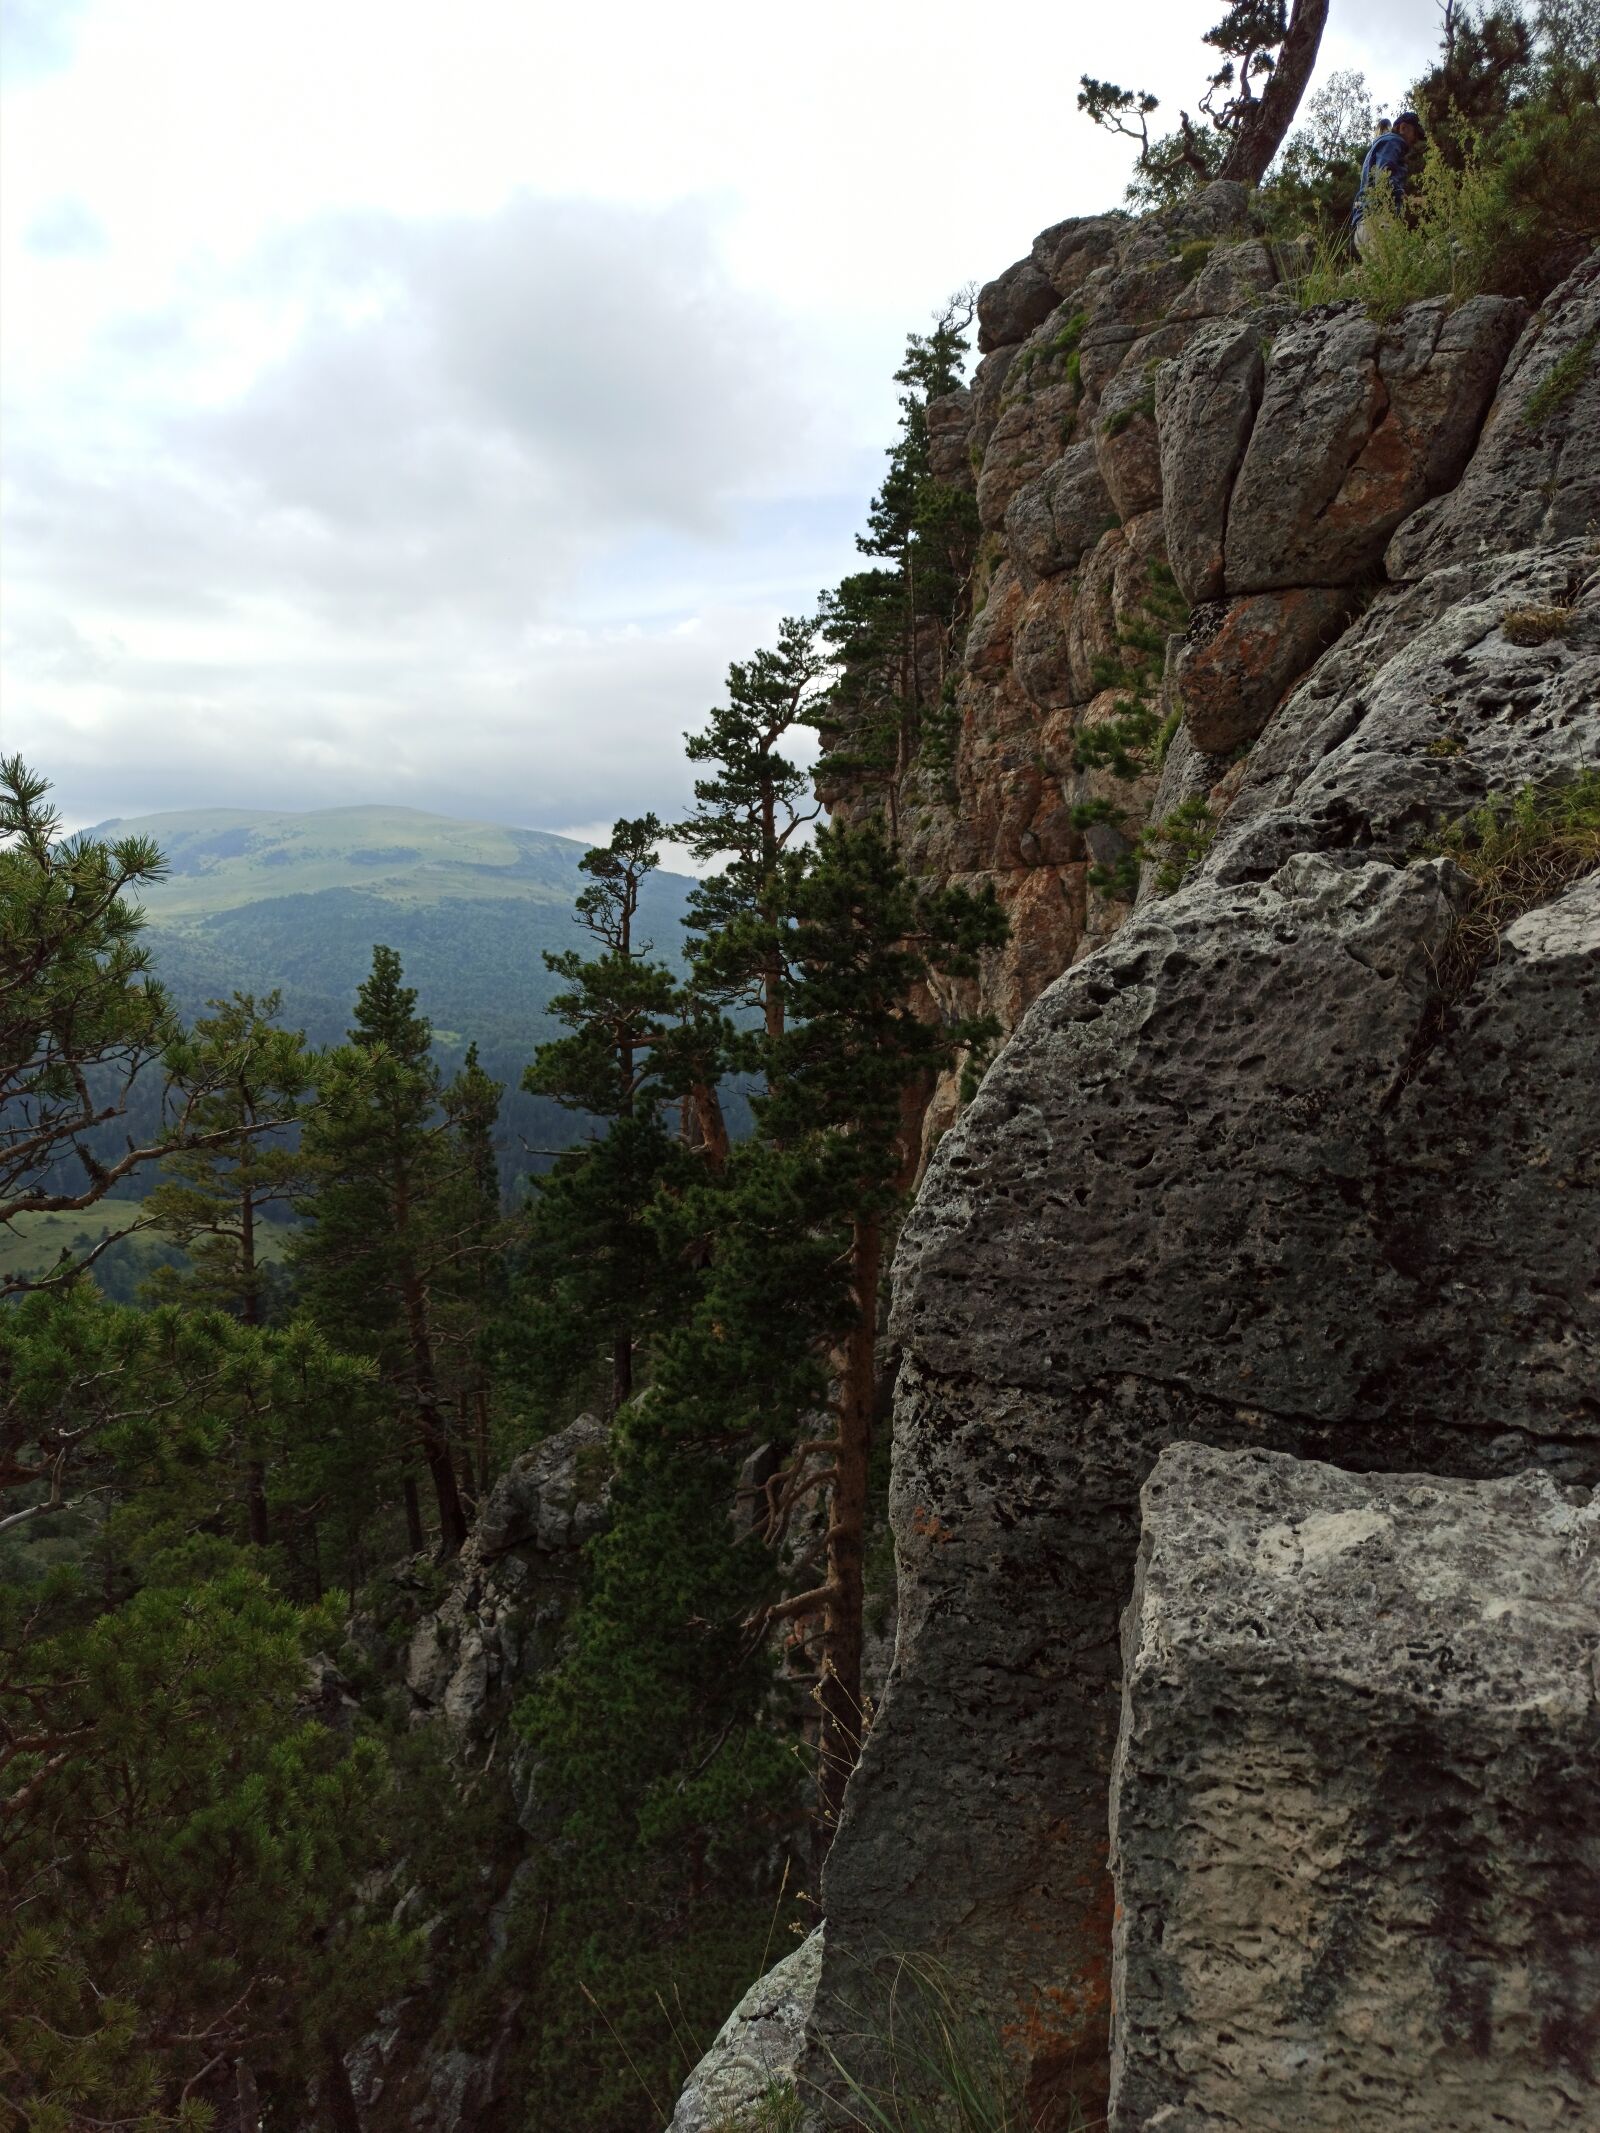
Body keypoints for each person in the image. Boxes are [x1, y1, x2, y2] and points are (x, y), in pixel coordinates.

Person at [1352, 111, 1424, 255]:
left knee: (1383, 275)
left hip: (1363, 225)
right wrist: (1409, 199)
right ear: (1403, 127)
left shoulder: (1380, 145)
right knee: (1395, 272)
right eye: (1415, 134)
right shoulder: (1393, 141)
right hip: (1379, 222)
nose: (1415, 140)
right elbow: (1384, 177)